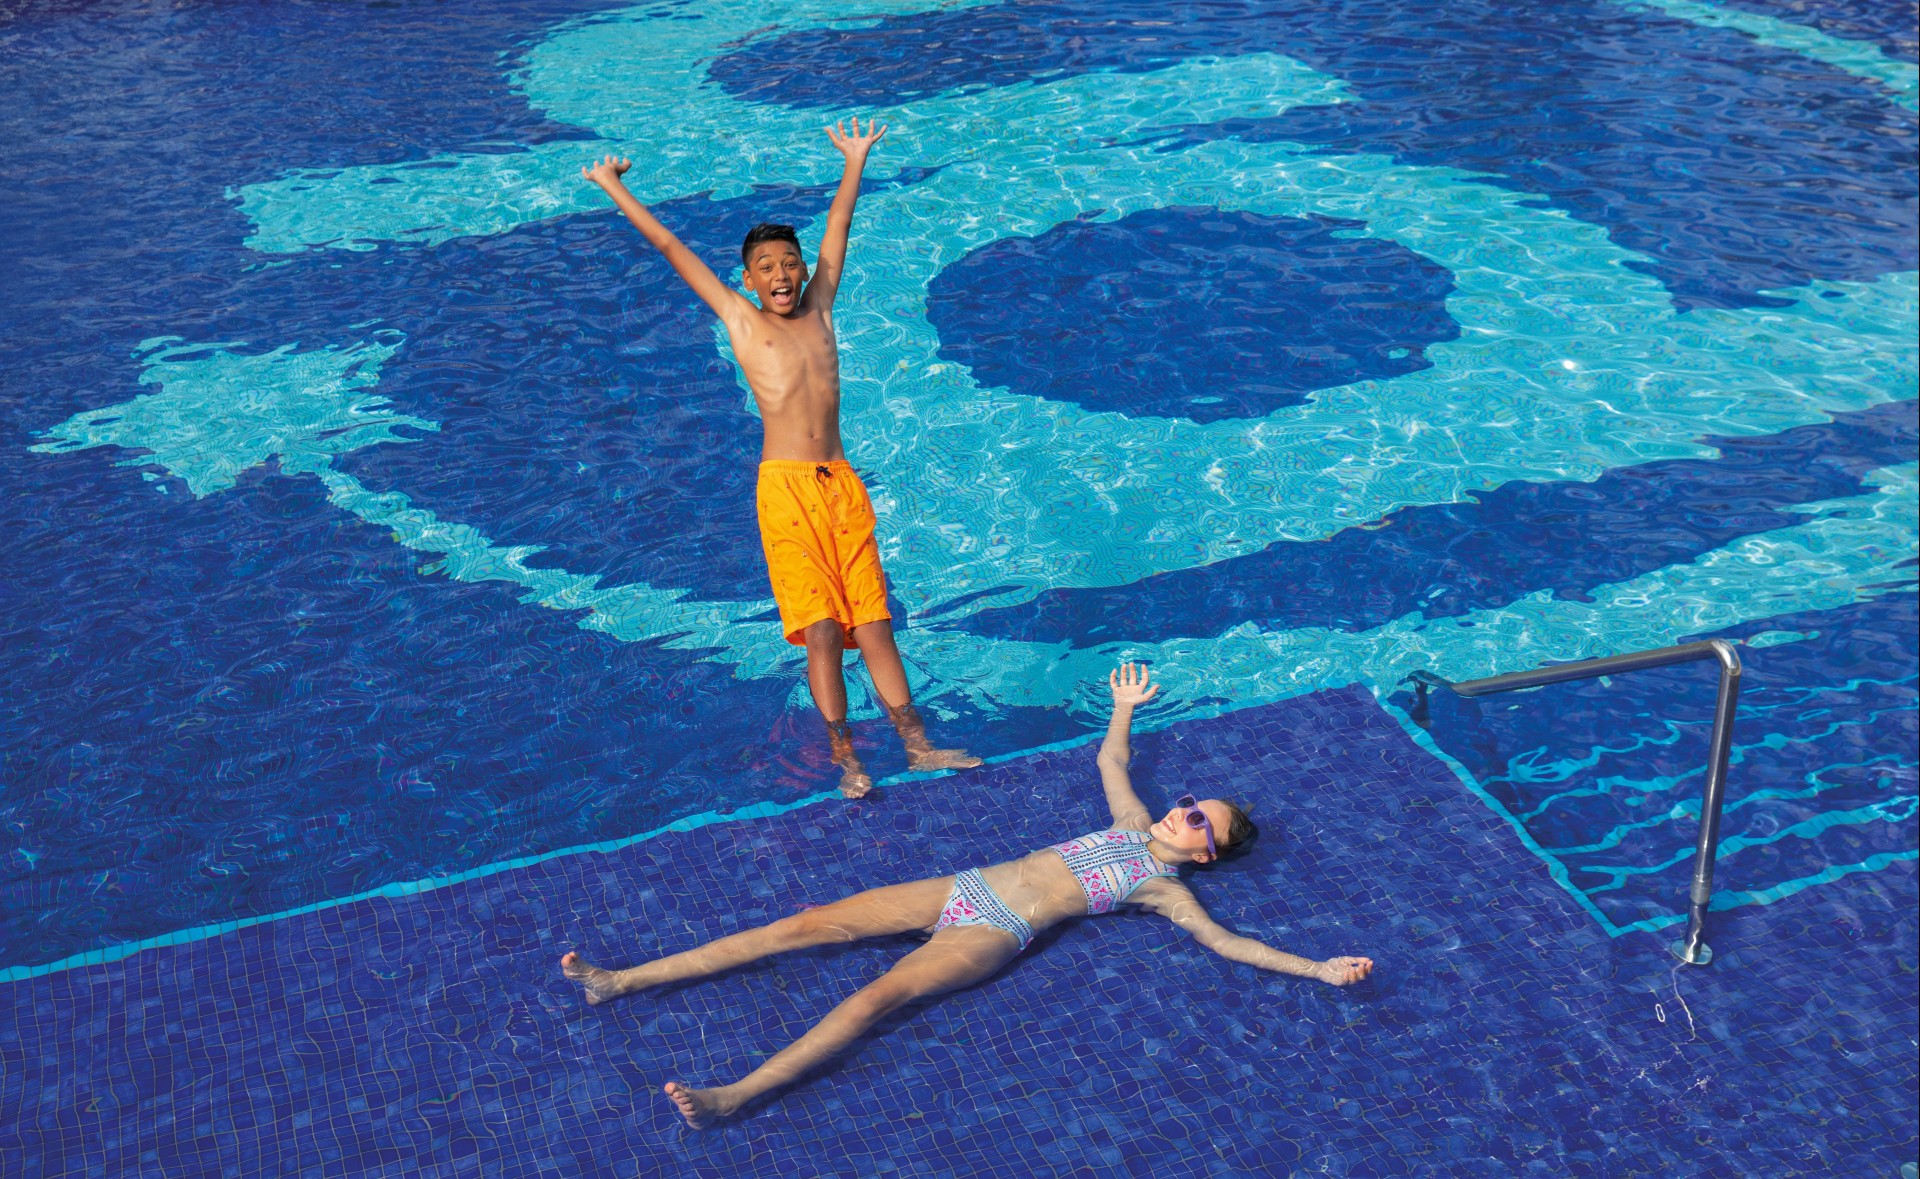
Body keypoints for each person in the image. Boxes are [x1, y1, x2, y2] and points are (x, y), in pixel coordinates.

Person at [560, 663, 1375, 1127]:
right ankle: (620, 979)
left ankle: (734, 1093)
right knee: (800, 924)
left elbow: (1230, 943)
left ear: (1206, 851)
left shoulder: (1163, 885)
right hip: (965, 884)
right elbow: (1111, 766)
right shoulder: (1133, 823)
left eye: (1200, 818)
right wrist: (1123, 709)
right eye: (1193, 799)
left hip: (999, 928)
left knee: (871, 1000)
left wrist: (1318, 967)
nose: (1184, 807)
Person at [581, 120, 978, 797]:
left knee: (876, 623)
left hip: (842, 485)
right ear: (748, 280)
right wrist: (615, 187)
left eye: (789, 263)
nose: (782, 274)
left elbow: (839, 229)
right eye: (766, 268)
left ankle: (917, 745)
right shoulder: (741, 321)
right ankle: (846, 759)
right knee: (821, 630)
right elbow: (672, 246)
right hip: (786, 489)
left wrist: (854, 162)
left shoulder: (821, 307)